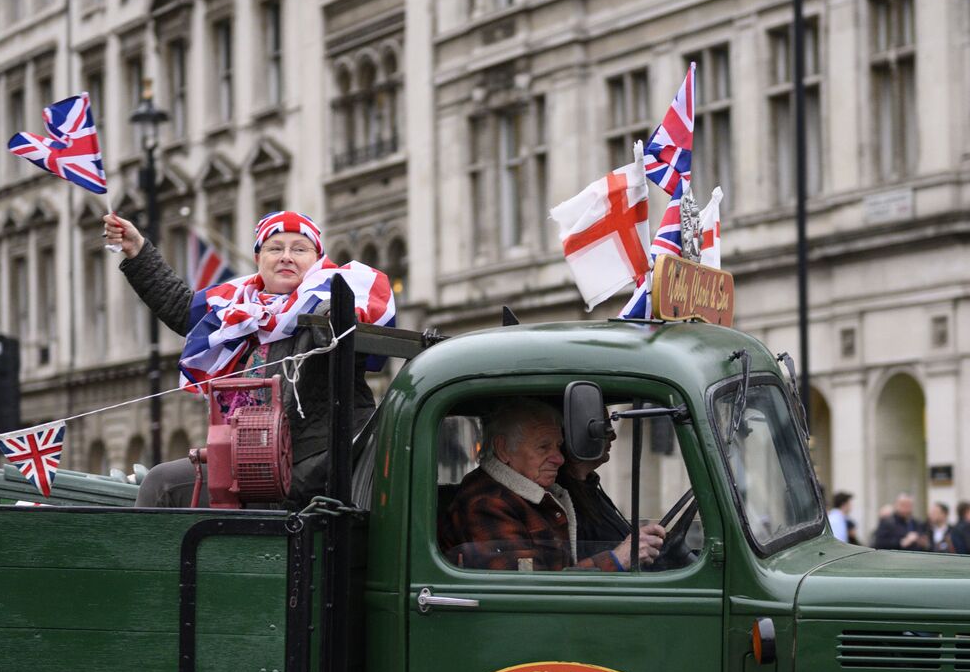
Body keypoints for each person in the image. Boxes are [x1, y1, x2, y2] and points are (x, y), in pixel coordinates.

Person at [106, 209, 380, 507]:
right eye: (275, 248)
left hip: (311, 470)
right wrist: (138, 251)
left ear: (317, 261)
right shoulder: (240, 310)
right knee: (162, 482)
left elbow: (352, 326)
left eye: (300, 249)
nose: (287, 256)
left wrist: (334, 316)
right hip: (250, 461)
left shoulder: (328, 302)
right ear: (258, 259)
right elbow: (183, 309)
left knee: (163, 485)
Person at [440, 399, 664, 572]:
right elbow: (532, 593)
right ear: (503, 449)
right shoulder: (487, 503)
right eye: (543, 447)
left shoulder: (537, 495)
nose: (559, 458)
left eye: (558, 446)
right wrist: (616, 559)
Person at [555, 424, 631, 563]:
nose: (613, 436)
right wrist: (618, 559)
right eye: (603, 427)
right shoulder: (558, 499)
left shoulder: (590, 488)